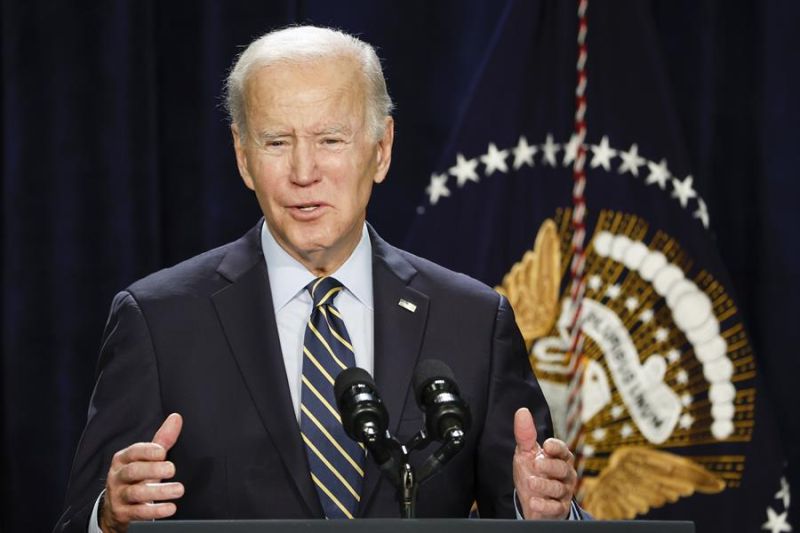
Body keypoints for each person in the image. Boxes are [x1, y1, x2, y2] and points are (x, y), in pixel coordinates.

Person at [54, 26, 583, 533]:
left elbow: (524, 505)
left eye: (330, 139)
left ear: (381, 149)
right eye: (277, 142)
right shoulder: (158, 321)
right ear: (242, 156)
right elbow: (80, 521)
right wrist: (110, 516)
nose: (304, 171)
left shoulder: (471, 321)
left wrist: (541, 512)